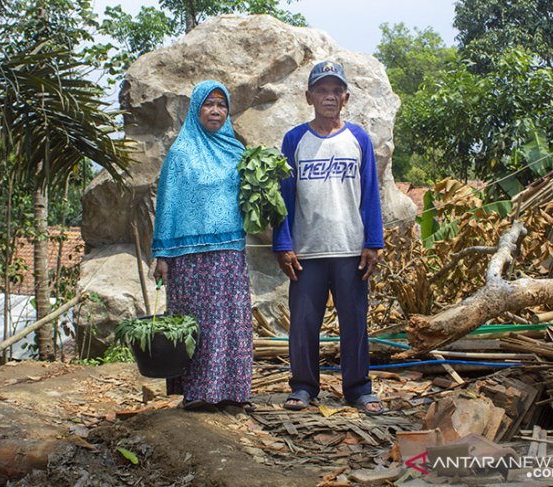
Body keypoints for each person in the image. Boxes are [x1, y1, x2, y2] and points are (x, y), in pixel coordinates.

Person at [272, 61, 385, 414]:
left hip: (350, 248)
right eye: (322, 90)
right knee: (304, 323)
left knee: (355, 322)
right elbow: (282, 198)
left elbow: (370, 194)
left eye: (336, 90)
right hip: (307, 251)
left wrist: (373, 241)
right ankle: (304, 386)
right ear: (309, 96)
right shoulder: (294, 140)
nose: (329, 96)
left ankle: (358, 388)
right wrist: (283, 243)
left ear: (346, 97)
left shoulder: (358, 139)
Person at [152, 80, 252, 411]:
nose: (215, 111)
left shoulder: (237, 153)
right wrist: (161, 254)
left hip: (228, 252)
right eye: (208, 104)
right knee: (195, 323)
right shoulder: (181, 153)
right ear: (196, 109)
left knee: (228, 321)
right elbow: (167, 203)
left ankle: (231, 392)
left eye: (221, 105)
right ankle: (197, 393)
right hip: (188, 257)